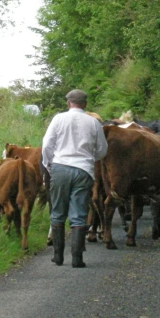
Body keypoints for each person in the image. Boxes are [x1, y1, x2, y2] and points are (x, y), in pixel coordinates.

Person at [41, 89, 108, 268]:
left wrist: (49, 165)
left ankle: (58, 256)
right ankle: (77, 258)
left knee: (57, 212)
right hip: (83, 170)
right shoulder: (94, 123)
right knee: (79, 214)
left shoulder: (58, 119)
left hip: (60, 167)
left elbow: (47, 145)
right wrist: (89, 159)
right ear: (85, 104)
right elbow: (102, 150)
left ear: (68, 103)